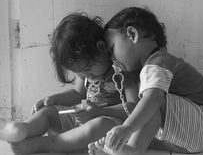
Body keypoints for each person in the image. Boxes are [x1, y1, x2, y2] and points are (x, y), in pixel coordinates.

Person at [88, 6, 203, 155]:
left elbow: (153, 99)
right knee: (146, 111)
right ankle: (124, 146)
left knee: (150, 101)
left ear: (132, 34)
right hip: (189, 139)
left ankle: (133, 149)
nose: (112, 59)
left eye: (112, 49)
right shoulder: (150, 67)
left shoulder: (157, 62)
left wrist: (126, 128)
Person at [0, 12, 138, 154]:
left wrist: (100, 112)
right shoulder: (84, 71)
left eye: (87, 69)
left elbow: (133, 108)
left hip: (109, 122)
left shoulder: (122, 69)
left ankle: (45, 144)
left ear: (101, 47)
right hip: (81, 117)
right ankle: (23, 129)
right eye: (79, 72)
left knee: (99, 126)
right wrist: (53, 99)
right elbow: (77, 93)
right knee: (48, 112)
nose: (86, 76)